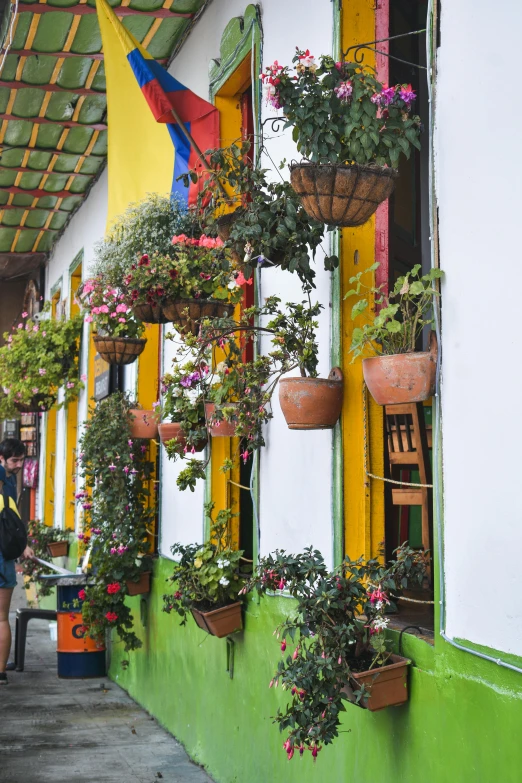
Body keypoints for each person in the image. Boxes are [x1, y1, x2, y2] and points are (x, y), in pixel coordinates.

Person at [0, 438, 34, 684]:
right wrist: (22, 545)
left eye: (22, 460)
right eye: (15, 460)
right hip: (4, 559)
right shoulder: (6, 480)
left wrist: (23, 545)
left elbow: (11, 522)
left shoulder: (10, 480)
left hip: (4, 557)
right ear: (1, 458)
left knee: (2, 618)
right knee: (1, 618)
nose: (19, 465)